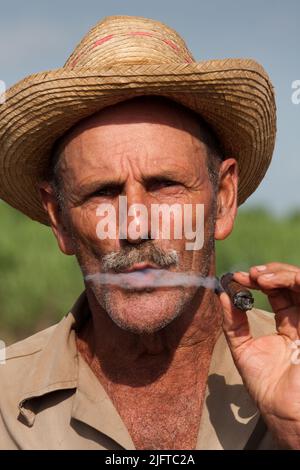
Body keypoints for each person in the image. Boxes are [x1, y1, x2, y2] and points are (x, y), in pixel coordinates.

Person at [0, 15, 299, 450]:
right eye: (103, 192)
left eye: (164, 186)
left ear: (224, 199)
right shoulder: (7, 399)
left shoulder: (288, 366)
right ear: (59, 219)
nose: (135, 226)